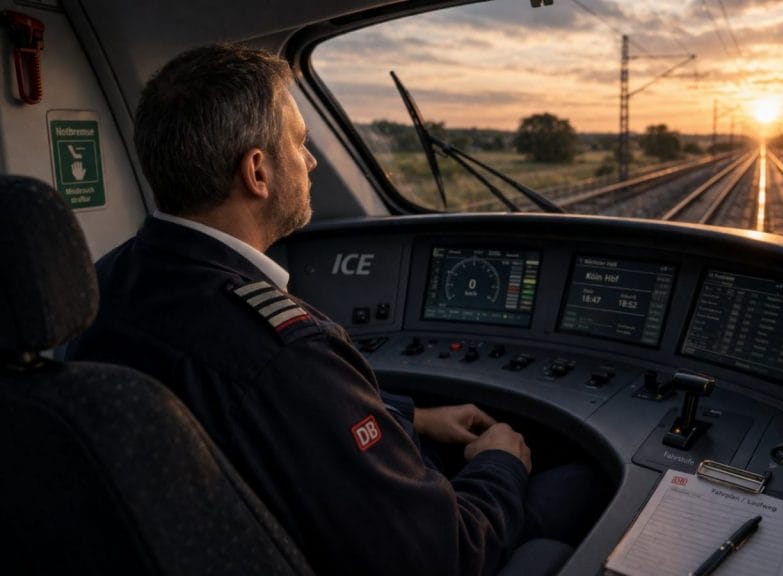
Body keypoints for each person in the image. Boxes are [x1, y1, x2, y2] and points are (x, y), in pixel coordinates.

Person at [70, 44, 581, 576]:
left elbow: (274, 428)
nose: (311, 161)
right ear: (258, 171)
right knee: (580, 478)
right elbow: (444, 554)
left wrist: (413, 417)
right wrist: (499, 463)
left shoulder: (103, 284)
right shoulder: (284, 353)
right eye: (300, 142)